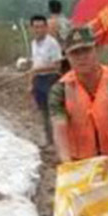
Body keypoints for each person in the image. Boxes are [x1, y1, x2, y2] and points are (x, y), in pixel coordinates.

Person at [48, 25, 108, 162]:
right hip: (81, 160)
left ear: (97, 49)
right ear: (67, 56)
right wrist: (67, 164)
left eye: (86, 50)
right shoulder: (60, 89)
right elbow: (59, 129)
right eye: (75, 53)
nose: (82, 57)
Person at [29, 14, 63, 145]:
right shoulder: (33, 44)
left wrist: (39, 69)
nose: (38, 30)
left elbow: (57, 65)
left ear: (46, 28)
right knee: (43, 111)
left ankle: (58, 141)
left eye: (41, 27)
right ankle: (49, 140)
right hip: (38, 80)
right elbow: (34, 64)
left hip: (51, 79)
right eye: (36, 27)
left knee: (53, 112)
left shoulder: (52, 43)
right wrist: (31, 83)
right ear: (32, 28)